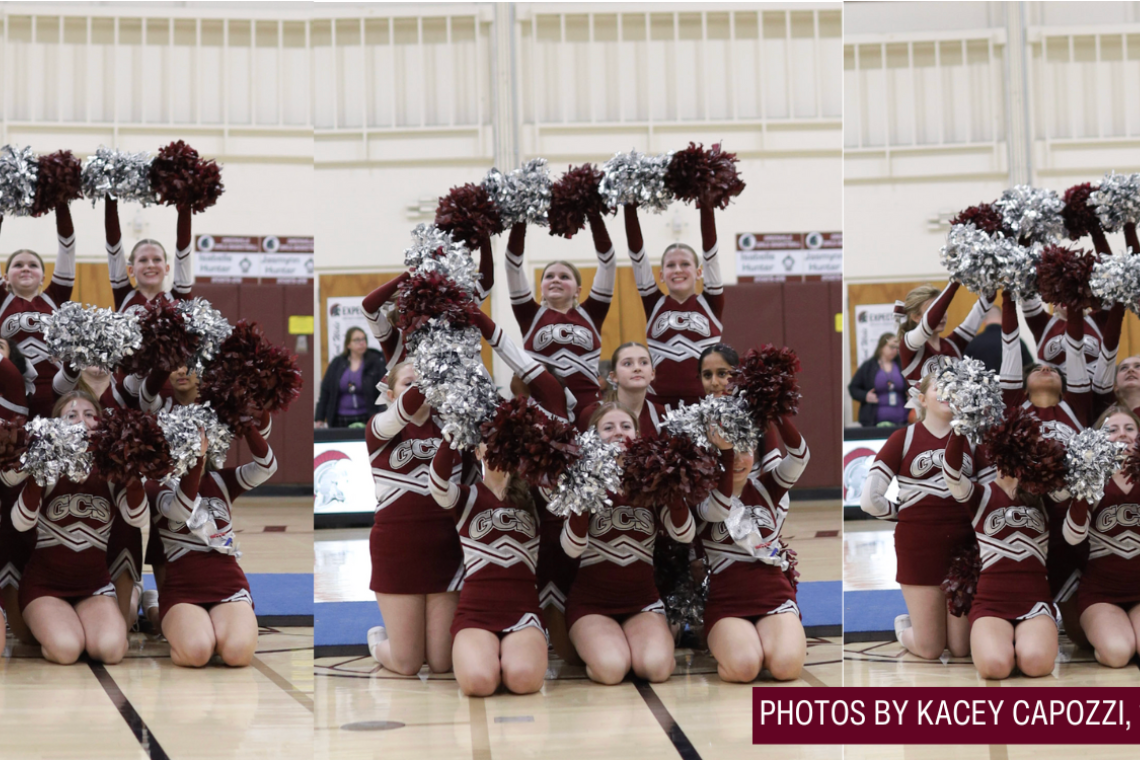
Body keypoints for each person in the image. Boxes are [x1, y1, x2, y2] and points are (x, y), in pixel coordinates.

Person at [860, 372, 994, 660]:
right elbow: (869, 499)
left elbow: (992, 494)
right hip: (918, 546)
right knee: (931, 648)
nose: (948, 392)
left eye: (954, 387)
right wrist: (903, 515)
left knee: (961, 648)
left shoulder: (972, 440)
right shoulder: (902, 438)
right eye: (939, 387)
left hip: (965, 549)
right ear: (921, 398)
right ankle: (904, 627)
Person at [8, 391, 148, 664]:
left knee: (111, 651)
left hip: (94, 586)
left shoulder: (111, 469)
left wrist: (131, 472)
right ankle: (64, 626)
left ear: (102, 424)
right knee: (67, 650)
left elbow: (138, 518)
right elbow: (21, 522)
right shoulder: (46, 466)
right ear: (55, 425)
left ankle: (112, 612)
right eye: (70, 415)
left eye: (88, 415)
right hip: (45, 587)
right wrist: (39, 471)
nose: (80, 421)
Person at [561, 403, 696, 685]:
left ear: (637, 434)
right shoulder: (579, 480)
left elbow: (684, 534)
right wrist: (587, 490)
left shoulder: (651, 481)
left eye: (625, 426)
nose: (618, 433)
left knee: (657, 669)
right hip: (591, 605)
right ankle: (612, 649)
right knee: (611, 670)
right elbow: (571, 548)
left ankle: (636, 645)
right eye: (607, 427)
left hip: (642, 603)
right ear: (593, 438)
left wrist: (670, 486)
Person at [155, 413, 277, 667]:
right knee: (197, 652)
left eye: (201, 437)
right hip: (183, 592)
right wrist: (197, 461)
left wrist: (248, 426)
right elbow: (181, 510)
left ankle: (214, 626)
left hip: (228, 586)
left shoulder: (222, 481)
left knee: (237, 654)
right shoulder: (157, 486)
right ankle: (155, 608)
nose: (194, 442)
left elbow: (267, 467)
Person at [427, 440, 546, 696]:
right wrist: (451, 436)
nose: (498, 446)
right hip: (475, 615)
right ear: (478, 451)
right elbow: (436, 484)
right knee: (479, 683)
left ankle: (510, 657)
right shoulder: (466, 496)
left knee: (522, 680)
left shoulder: (536, 497)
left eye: (504, 440)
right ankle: (489, 658)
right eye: (489, 441)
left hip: (523, 614)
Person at [699, 415, 810, 682]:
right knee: (744, 668)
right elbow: (721, 506)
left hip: (774, 599)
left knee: (786, 668)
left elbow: (800, 457)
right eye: (729, 450)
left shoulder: (767, 488)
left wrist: (779, 414)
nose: (738, 458)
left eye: (745, 449)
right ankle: (739, 645)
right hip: (728, 605)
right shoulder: (700, 498)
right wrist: (723, 454)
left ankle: (761, 641)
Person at [943, 428, 1058, 679]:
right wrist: (960, 427)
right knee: (995, 667)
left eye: (1020, 449)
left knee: (1036, 664)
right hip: (991, 604)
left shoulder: (1044, 496)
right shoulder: (981, 495)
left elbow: (1068, 485)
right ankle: (1005, 646)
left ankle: (1024, 645)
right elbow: (952, 474)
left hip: (1035, 602)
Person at [504, 212, 616, 415]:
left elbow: (608, 262)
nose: (556, 280)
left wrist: (593, 214)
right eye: (549, 276)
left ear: (578, 290)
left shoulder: (592, 313)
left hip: (589, 410)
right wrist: (519, 215)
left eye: (564, 276)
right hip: (543, 409)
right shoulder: (529, 315)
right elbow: (513, 265)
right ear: (542, 288)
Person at [624, 203, 724, 409]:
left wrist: (706, 203)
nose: (678, 270)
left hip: (704, 404)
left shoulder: (710, 303)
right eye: (670, 265)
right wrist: (629, 204)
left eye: (685, 264)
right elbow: (637, 255)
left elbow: (710, 252)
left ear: (698, 272)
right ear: (661, 275)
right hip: (658, 405)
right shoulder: (654, 303)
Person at [1063, 405, 1140, 668]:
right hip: (1101, 594)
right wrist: (1085, 487)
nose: (1123, 434)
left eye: (1130, 428)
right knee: (1117, 654)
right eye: (1112, 429)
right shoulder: (1092, 480)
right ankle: (1116, 638)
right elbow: (1073, 538)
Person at [0, 204, 77, 417]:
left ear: (43, 277)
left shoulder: (55, 297)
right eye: (18, 265)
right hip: (9, 391)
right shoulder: (3, 301)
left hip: (56, 391)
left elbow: (67, 247)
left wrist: (61, 202)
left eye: (33, 265)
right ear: (5, 278)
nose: (25, 268)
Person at [104, 197, 192, 316]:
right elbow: (113, 247)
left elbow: (183, 252)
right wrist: (111, 195)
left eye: (157, 259)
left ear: (167, 268)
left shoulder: (178, 298)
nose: (150, 265)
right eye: (143, 260)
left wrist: (185, 203)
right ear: (131, 270)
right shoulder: (124, 296)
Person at [894, 283, 991, 387]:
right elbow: (928, 325)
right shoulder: (908, 344)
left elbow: (983, 306)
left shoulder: (953, 344)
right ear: (915, 317)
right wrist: (955, 282)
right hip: (920, 404)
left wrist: (990, 282)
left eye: (943, 309)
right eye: (936, 311)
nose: (942, 315)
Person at [575, 342, 665, 438]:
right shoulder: (592, 413)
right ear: (614, 376)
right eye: (627, 363)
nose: (637, 368)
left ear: (652, 374)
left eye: (644, 362)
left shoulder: (660, 413)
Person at [315, 327, 384, 428]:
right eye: (357, 340)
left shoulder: (375, 362)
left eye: (363, 339)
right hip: (340, 419)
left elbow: (383, 391)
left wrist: (382, 415)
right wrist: (319, 418)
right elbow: (326, 392)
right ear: (348, 344)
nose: (361, 343)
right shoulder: (337, 363)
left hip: (368, 417)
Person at [848, 333, 907, 427]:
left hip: (902, 420)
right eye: (891, 347)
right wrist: (865, 396)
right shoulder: (869, 366)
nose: (894, 350)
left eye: (896, 347)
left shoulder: (903, 364)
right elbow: (853, 388)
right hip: (873, 422)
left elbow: (913, 384)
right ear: (881, 346)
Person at [963, 304, 1033, 375]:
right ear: (1003, 319)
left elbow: (963, 372)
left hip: (981, 385)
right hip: (1009, 385)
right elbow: (1030, 370)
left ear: (984, 320)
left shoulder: (973, 343)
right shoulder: (1016, 341)